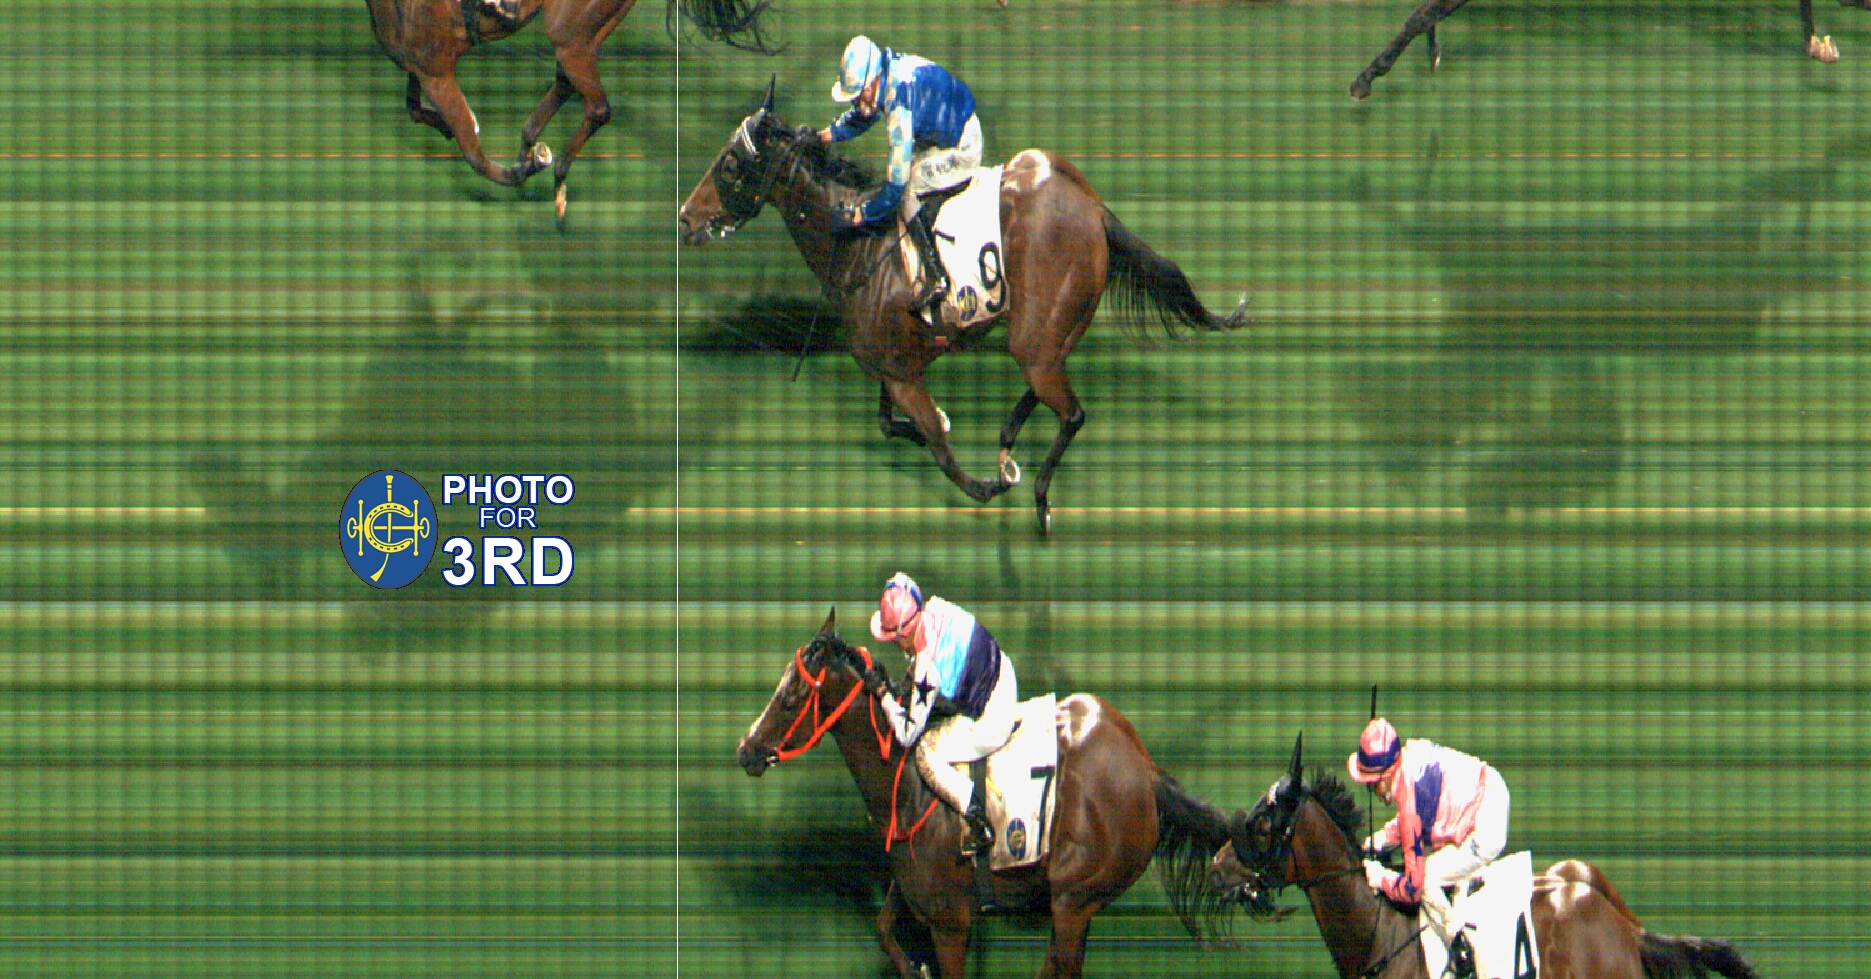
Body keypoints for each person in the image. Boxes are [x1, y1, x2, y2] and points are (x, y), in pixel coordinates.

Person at [818, 36, 984, 315]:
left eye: (857, 95)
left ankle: (936, 276)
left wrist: (860, 215)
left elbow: (895, 188)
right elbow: (864, 115)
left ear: (870, 84)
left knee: (908, 189)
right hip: (947, 131)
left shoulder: (899, 106)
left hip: (962, 148)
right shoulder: (886, 74)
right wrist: (826, 135)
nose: (856, 101)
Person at [865, 573, 1017, 855]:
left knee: (925, 751)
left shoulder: (927, 669)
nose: (893, 644)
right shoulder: (936, 607)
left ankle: (975, 817)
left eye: (893, 638)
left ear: (904, 633)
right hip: (1002, 671)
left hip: (993, 716)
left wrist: (884, 696)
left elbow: (906, 734)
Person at [1350, 717, 1510, 979]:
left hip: (1486, 824)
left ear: (1384, 778)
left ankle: (1460, 947)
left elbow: (1412, 889)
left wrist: (1380, 878)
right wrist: (1379, 840)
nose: (1371, 789)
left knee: (1427, 878)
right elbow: (1415, 815)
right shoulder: (1409, 756)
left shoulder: (1409, 799)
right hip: (1487, 791)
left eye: (1371, 782)